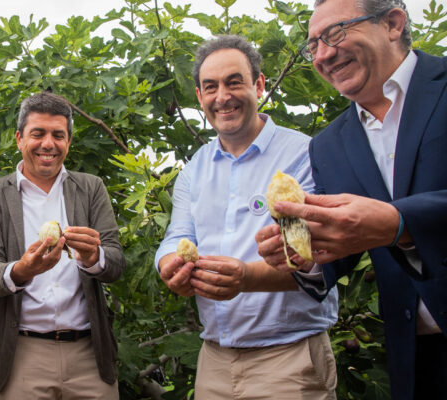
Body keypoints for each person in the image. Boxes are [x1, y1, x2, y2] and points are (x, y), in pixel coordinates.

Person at [255, 0, 447, 398]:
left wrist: (400, 222)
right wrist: (306, 256)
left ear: (393, 23)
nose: (323, 54)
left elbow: (383, 224)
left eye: (336, 33)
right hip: (416, 359)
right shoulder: (328, 145)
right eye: (313, 46)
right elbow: (340, 248)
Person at [155, 36, 339, 399]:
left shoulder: (304, 155)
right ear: (199, 97)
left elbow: (322, 260)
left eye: (233, 82)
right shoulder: (194, 169)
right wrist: (168, 263)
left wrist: (247, 277)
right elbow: (178, 233)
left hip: (290, 361)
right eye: (211, 87)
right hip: (215, 361)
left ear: (259, 85)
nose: (222, 96)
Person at [0, 92, 124, 398]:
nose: (48, 144)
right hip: (24, 354)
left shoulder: (91, 188)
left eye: (58, 135)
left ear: (68, 141)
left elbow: (116, 263)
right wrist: (22, 270)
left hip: (89, 354)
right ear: (19, 138)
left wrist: (93, 257)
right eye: (37, 133)